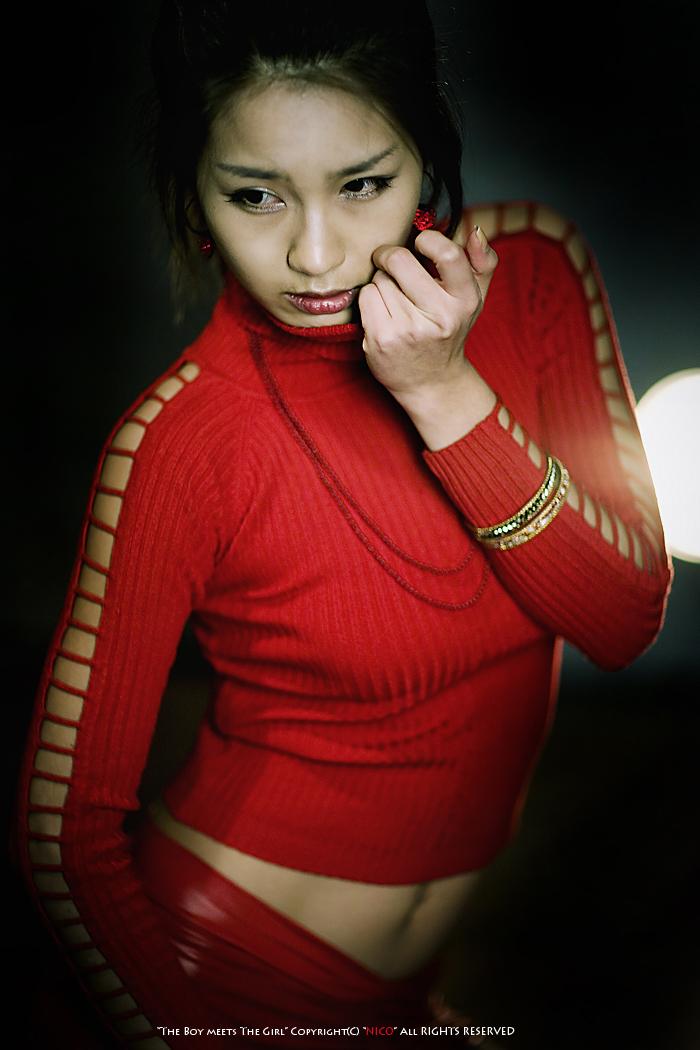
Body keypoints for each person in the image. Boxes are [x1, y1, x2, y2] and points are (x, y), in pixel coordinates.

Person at [14, 1, 671, 1047]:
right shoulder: (177, 443)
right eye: (255, 195)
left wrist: (442, 391)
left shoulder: (537, 269)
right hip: (220, 981)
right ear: (194, 196)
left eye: (362, 184)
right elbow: (64, 836)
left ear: (427, 161)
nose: (316, 256)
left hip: (404, 1000)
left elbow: (624, 619)